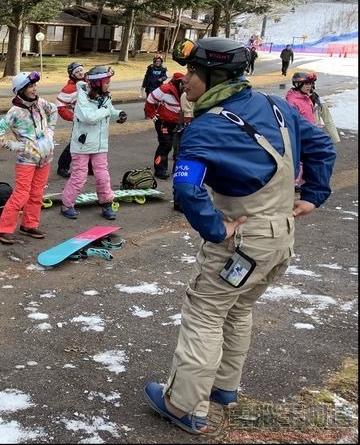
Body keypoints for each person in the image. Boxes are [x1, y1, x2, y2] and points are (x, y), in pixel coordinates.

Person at [143, 37, 336, 435]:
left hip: (241, 242)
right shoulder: (276, 105)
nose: (187, 80)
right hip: (279, 238)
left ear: (215, 75)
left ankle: (183, 406)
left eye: (194, 72)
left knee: (205, 314)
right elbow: (321, 146)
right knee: (239, 309)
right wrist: (314, 195)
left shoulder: (206, 128)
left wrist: (215, 229)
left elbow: (187, 189)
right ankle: (224, 389)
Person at [0, 71, 57, 244]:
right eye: (30, 86)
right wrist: (12, 145)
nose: (34, 89)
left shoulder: (41, 103)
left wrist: (50, 132)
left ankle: (29, 224)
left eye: (34, 85)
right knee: (21, 194)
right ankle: (3, 229)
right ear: (20, 90)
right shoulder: (14, 112)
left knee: (37, 193)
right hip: (26, 160)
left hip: (45, 158)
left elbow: (55, 110)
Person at [60, 66, 127, 221]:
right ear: (97, 83)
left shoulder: (105, 97)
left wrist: (119, 114)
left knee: (103, 176)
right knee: (79, 176)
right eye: (107, 82)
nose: (109, 85)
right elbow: (88, 117)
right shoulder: (82, 97)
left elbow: (110, 110)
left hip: (100, 145)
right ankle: (67, 204)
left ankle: (106, 203)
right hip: (82, 146)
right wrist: (106, 111)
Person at [144, 72, 185, 180]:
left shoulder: (188, 91)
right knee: (165, 145)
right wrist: (152, 114)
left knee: (181, 146)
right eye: (183, 83)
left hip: (179, 123)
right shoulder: (165, 89)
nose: (185, 86)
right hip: (164, 122)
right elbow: (150, 99)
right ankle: (160, 169)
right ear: (178, 82)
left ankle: (178, 169)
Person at [55, 61, 93, 178]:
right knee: (75, 144)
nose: (80, 73)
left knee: (92, 143)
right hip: (80, 122)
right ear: (72, 75)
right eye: (77, 71)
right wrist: (73, 118)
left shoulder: (90, 83)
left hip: (92, 119)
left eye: (81, 70)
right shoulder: (69, 89)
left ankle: (91, 168)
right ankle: (62, 167)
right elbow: (60, 105)